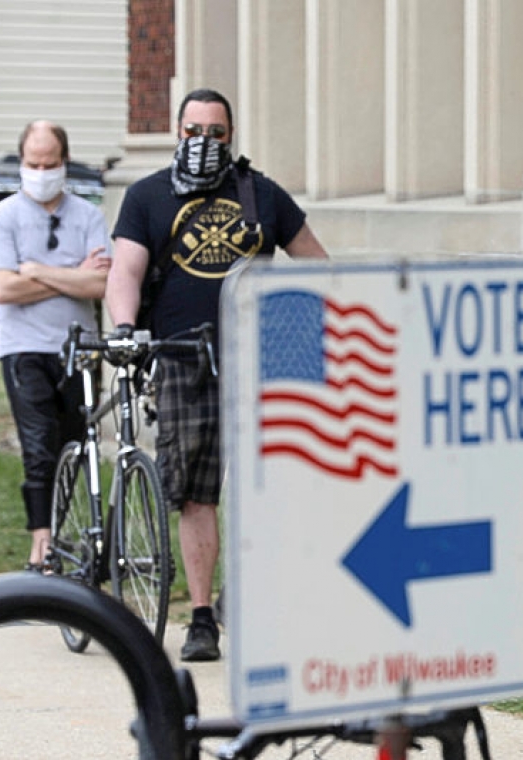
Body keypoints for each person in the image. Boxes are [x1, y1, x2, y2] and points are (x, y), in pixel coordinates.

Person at [105, 88, 327, 662]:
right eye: (194, 130)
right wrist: (126, 328)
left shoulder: (261, 194)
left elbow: (320, 267)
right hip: (182, 359)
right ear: (178, 132)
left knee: (270, 487)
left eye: (217, 132)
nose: (205, 142)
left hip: (261, 361)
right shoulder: (148, 196)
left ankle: (247, 597)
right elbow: (125, 271)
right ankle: (201, 617)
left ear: (232, 136)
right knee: (195, 493)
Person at [0, 121, 111, 572]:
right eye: (33, 164)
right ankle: (42, 545)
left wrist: (35, 269)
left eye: (49, 164)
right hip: (23, 349)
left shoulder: (88, 216)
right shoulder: (3, 217)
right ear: (21, 163)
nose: (41, 172)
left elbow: (101, 283)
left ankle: (60, 527)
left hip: (78, 348)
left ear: (64, 162)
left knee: (73, 445)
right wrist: (71, 274)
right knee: (38, 447)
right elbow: (4, 291)